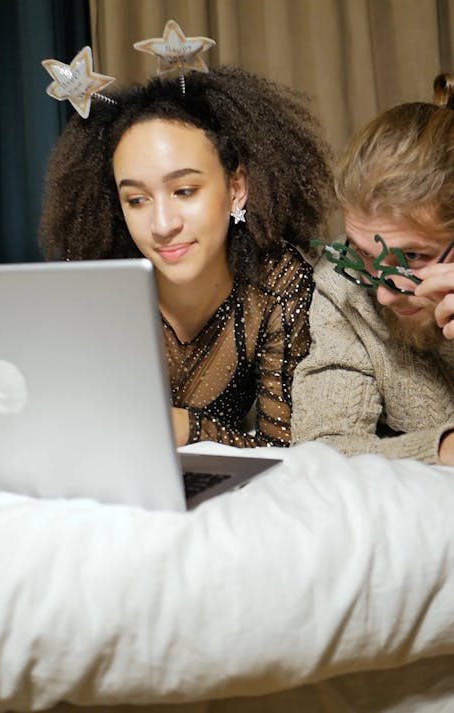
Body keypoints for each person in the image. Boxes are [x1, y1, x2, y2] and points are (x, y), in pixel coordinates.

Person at [40, 62, 332, 448]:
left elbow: (287, 449)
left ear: (236, 188)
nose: (162, 225)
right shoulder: (97, 281)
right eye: (137, 200)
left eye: (184, 191)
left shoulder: (277, 283)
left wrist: (189, 430)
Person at [291, 74, 454, 464]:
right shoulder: (341, 285)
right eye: (364, 253)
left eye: (414, 256)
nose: (384, 292)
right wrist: (444, 449)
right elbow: (325, 445)